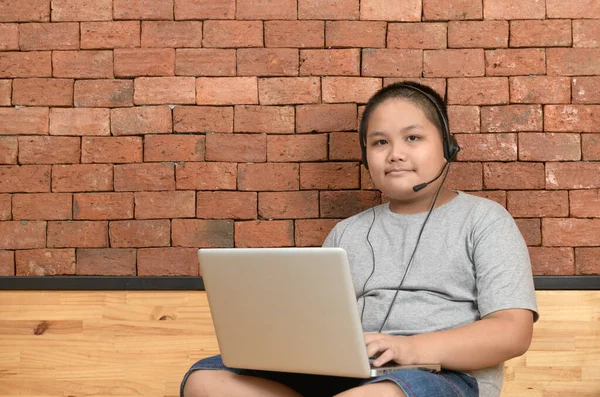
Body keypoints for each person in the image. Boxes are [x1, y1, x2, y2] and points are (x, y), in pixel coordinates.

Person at [180, 81, 539, 397]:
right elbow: (317, 325)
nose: (395, 153)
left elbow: (512, 332)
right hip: (351, 375)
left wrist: (410, 348)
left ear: (448, 146)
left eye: (413, 138)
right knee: (205, 382)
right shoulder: (346, 233)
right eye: (380, 142)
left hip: (443, 377)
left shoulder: (485, 220)